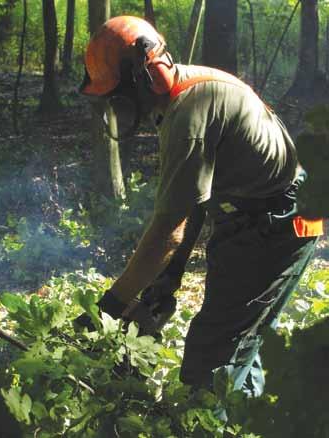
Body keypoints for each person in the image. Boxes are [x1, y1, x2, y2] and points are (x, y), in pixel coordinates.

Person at [79, 15, 324, 393]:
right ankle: (243, 419)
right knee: (236, 341)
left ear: (143, 78)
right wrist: (169, 278)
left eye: (117, 97)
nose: (118, 109)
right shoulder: (181, 97)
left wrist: (109, 306)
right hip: (246, 217)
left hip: (279, 221)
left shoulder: (188, 115)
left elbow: (168, 231)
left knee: (212, 358)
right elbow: (193, 201)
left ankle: (216, 423)